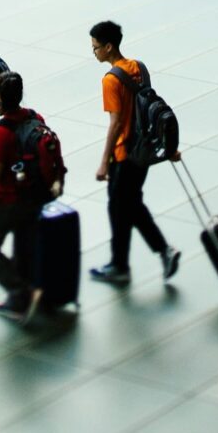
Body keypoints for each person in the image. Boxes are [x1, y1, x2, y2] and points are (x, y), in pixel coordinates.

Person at [88, 20, 180, 286]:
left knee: (119, 207)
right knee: (129, 204)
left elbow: (116, 123)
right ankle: (151, 254)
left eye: (95, 48)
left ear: (108, 46)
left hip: (124, 155)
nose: (94, 52)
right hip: (144, 151)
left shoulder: (111, 80)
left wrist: (104, 162)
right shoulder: (138, 67)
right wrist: (169, 146)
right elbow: (149, 106)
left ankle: (124, 265)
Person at [0, 71, 58, 322]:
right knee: (24, 245)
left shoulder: (2, 130)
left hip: (10, 199)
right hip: (36, 195)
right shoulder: (36, 117)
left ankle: (20, 292)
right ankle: (26, 298)